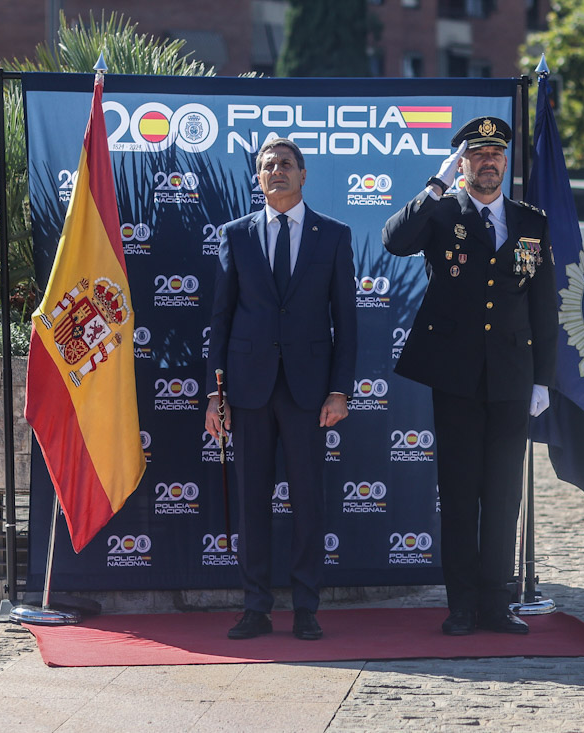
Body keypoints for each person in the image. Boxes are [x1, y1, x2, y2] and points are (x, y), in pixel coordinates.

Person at [382, 116, 558, 635]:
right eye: (477, 155)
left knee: (503, 493)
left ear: (506, 163)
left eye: (496, 155)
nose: (488, 163)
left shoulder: (531, 221)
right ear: (462, 163)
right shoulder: (440, 213)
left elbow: (542, 307)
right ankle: (461, 605)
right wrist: (434, 188)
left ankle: (496, 604)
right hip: (456, 375)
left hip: (511, 375)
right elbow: (395, 240)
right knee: (459, 493)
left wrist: (542, 379)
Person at [205, 138, 357, 641]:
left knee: (309, 501)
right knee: (252, 501)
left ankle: (307, 608)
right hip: (247, 390)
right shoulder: (236, 235)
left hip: (309, 392)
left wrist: (340, 390)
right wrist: (214, 395)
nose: (277, 172)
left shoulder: (333, 236)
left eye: (286, 164)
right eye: (268, 166)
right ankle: (255, 606)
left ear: (303, 174)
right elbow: (221, 318)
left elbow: (347, 322)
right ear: (258, 177)